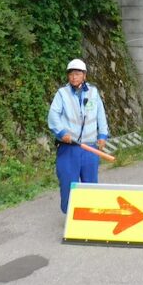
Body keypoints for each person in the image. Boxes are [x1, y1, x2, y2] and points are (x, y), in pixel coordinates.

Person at [47, 58, 109, 213]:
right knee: (68, 182)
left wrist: (102, 135)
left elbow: (101, 115)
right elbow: (53, 116)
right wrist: (62, 133)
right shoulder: (62, 94)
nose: (74, 77)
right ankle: (70, 215)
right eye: (71, 74)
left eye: (77, 73)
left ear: (84, 75)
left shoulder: (93, 93)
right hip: (69, 147)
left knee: (90, 183)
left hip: (90, 147)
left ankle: (90, 214)